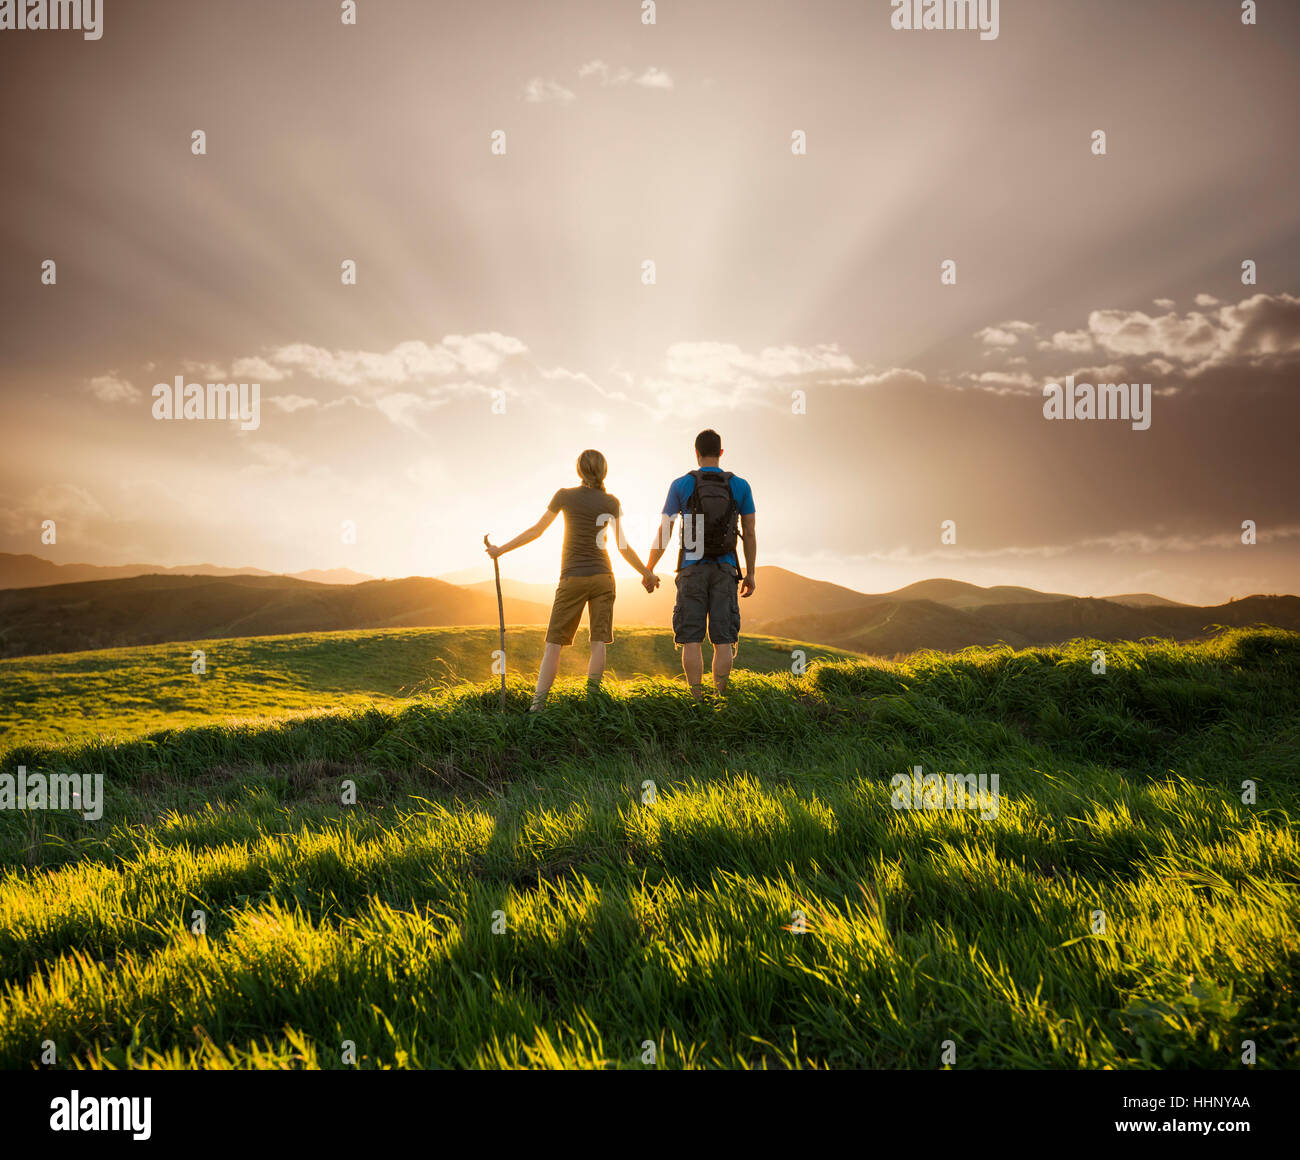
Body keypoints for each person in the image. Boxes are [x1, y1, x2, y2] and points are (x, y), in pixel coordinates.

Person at [485, 449, 658, 712]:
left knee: (554, 645)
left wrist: (500, 550)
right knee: (598, 643)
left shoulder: (564, 496)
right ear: (604, 471)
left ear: (579, 470)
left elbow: (537, 530)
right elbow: (623, 547)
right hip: (603, 577)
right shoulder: (611, 501)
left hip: (572, 577)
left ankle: (537, 708)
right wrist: (647, 573)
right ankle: (592, 704)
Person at [645, 429, 756, 699]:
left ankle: (696, 699)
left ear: (696, 453)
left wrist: (649, 568)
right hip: (726, 568)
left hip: (691, 567)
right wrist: (750, 573)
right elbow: (750, 532)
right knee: (724, 640)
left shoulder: (682, 484)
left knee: (691, 638)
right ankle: (720, 698)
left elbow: (666, 531)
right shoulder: (740, 485)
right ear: (720, 452)